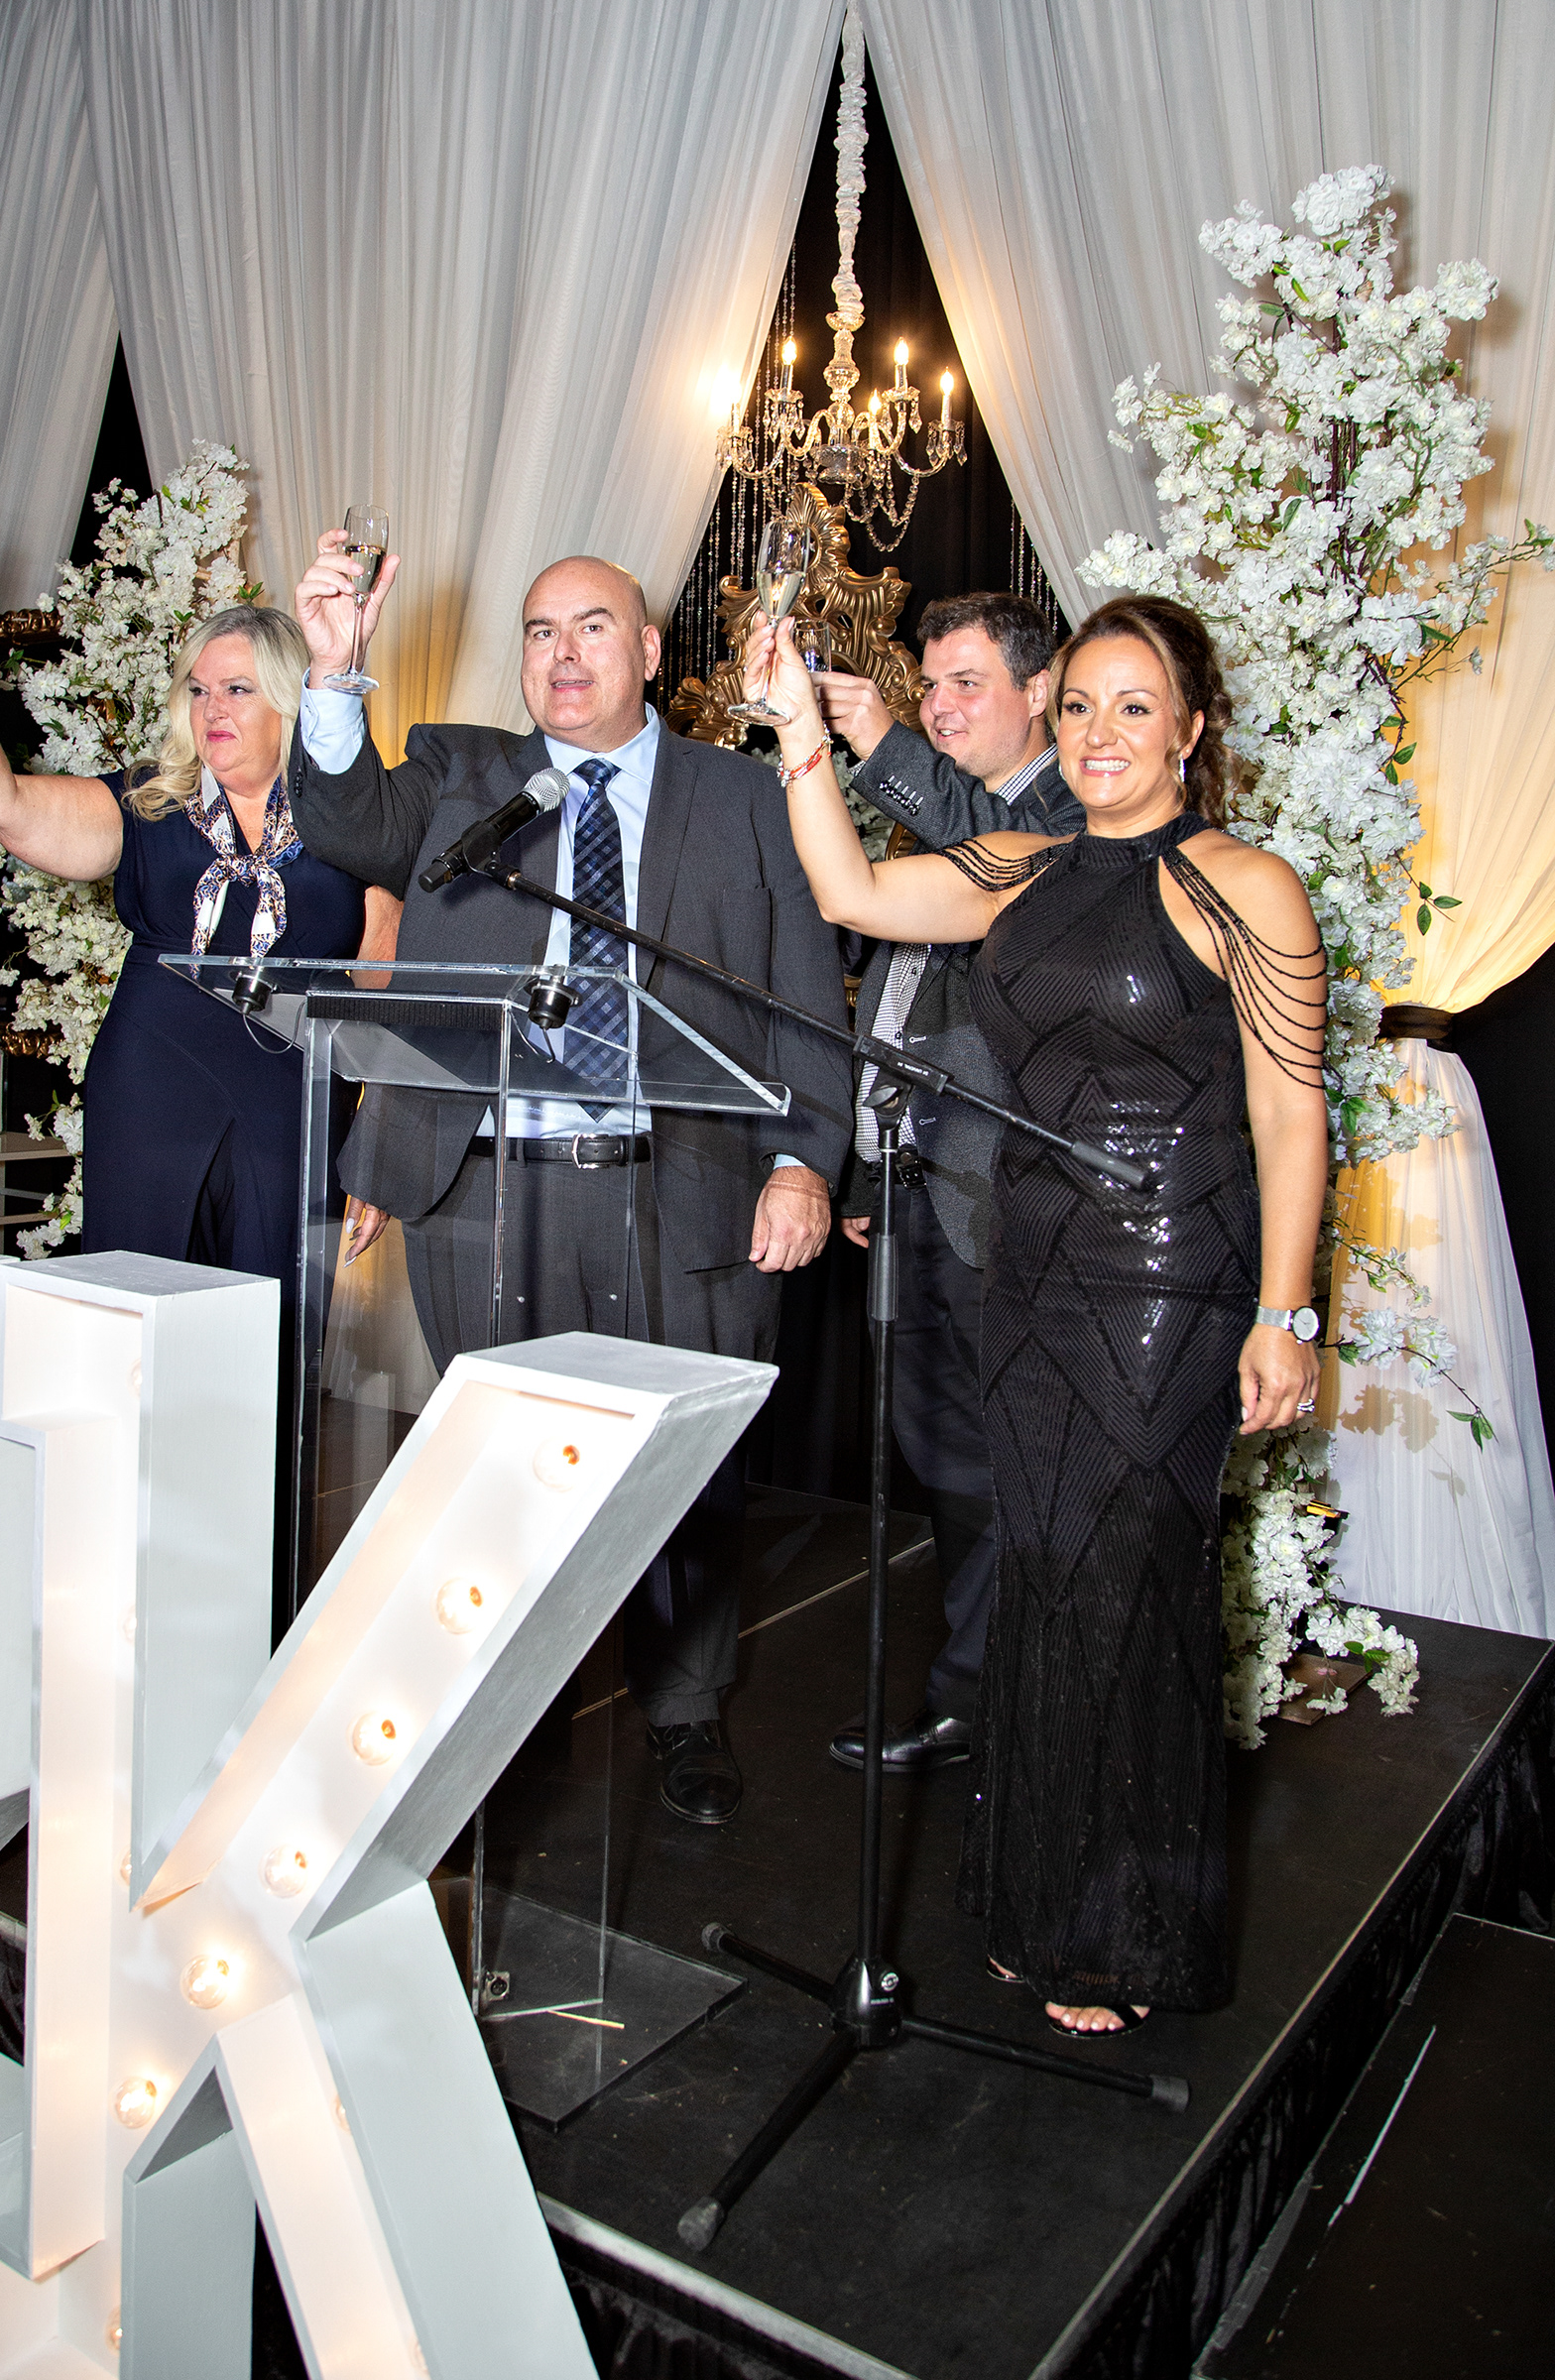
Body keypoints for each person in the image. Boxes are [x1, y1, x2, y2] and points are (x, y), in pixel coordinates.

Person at [750, 593, 1328, 2037]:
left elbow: (1291, 1114)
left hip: (1173, 1282)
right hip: (1032, 1275)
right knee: (1052, 1579)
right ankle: (1039, 1895)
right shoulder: (1020, 866)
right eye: (1077, 707)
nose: (1098, 734)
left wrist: (1287, 1313)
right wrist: (801, 731)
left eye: (1134, 707)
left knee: (1131, 1584)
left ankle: (1126, 1933)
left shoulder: (1243, 885)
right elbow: (850, 893)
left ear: (1191, 728)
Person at [289, 533, 853, 1824]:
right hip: (488, 1193)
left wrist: (801, 1161)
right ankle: (501, 1716)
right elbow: (346, 823)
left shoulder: (747, 796)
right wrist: (333, 675)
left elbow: (804, 996)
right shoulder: (463, 775)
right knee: (498, 1478)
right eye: (541, 632)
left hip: (683, 1187)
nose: (563, 653)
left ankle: (685, 1708)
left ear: (647, 651)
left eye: (592, 627)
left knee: (682, 1477)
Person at [0, 573, 391, 1281]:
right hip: (153, 1081)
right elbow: (2, 803)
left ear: (291, 699)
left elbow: (386, 995)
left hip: (297, 1098)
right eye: (198, 690)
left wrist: (383, 1146)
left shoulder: (358, 816)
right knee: (139, 1303)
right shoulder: (148, 802)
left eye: (237, 689)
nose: (212, 708)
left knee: (275, 1315)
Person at [815, 595, 1084, 1781]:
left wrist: (875, 740)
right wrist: (867, 1164)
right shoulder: (934, 815)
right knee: (942, 1448)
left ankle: (991, 1697)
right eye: (927, 687)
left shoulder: (1072, 816)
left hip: (1012, 1199)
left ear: (1041, 692)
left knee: (1000, 1454)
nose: (938, 707)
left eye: (966, 683)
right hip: (916, 1176)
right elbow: (889, 996)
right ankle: (991, 1682)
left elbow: (989, 854)